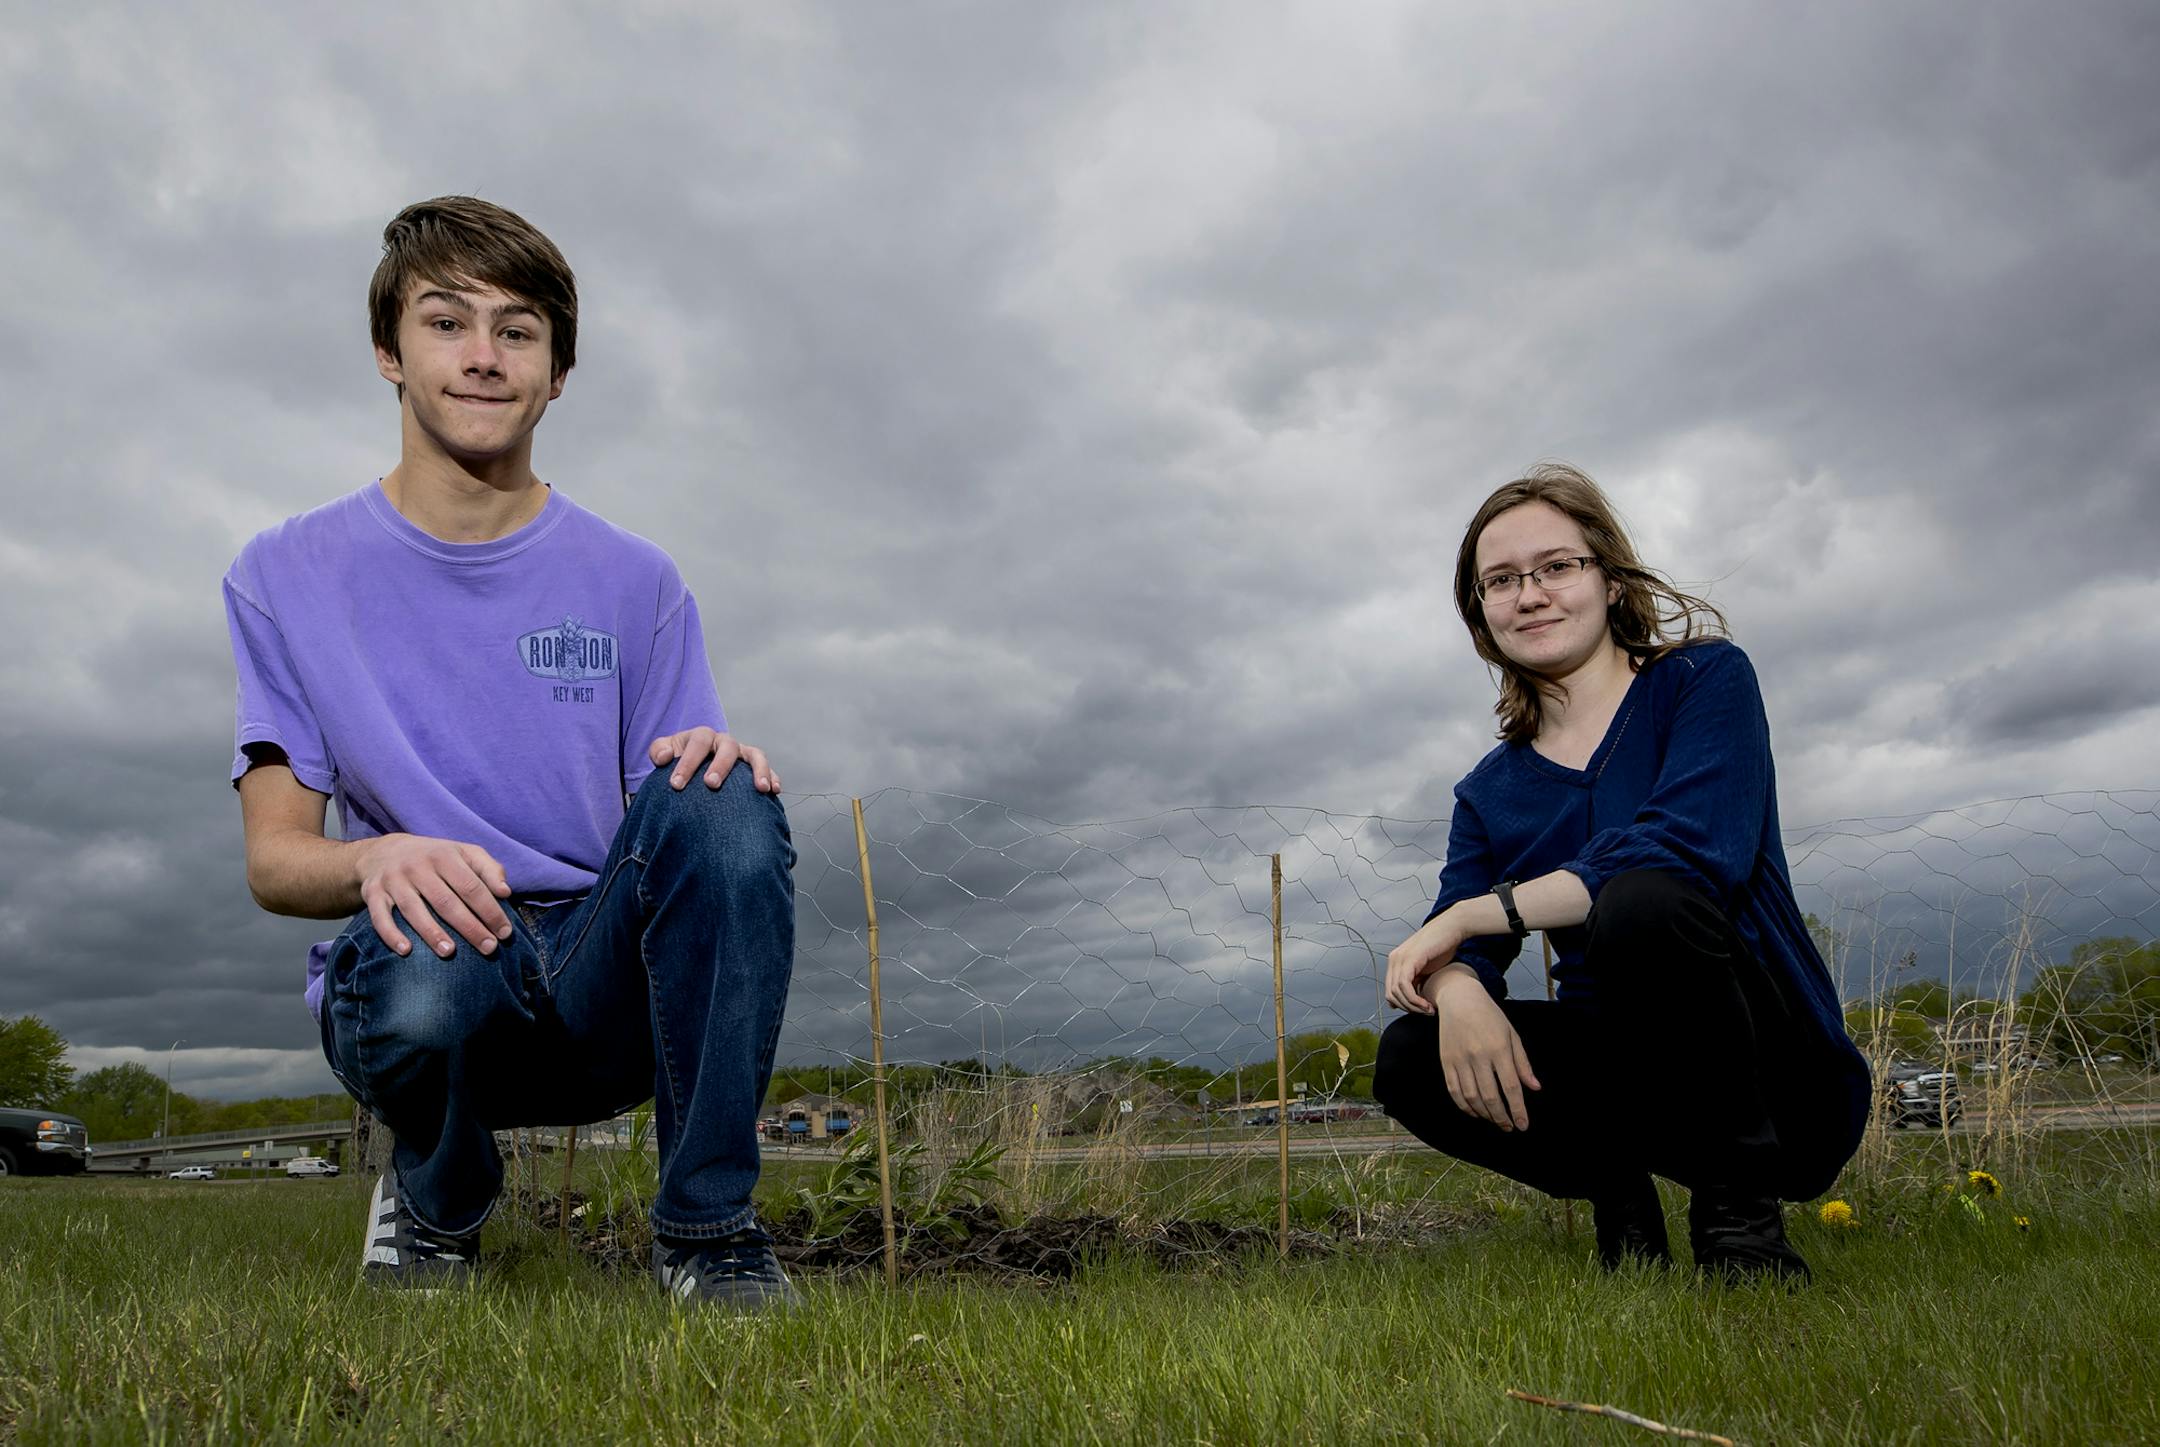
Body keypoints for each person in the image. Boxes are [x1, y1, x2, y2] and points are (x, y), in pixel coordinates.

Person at [222, 196, 799, 1309]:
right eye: (447, 323)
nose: (482, 358)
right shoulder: (284, 573)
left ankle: (708, 1233)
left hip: (599, 988)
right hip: (428, 973)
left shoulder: (639, 582)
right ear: (390, 352)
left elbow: (681, 851)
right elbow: (274, 858)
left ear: (557, 372)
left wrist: (718, 769)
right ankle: (438, 1196)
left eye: (518, 330)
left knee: (725, 795)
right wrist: (372, 860)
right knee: (428, 971)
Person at [1374, 463, 1869, 1281]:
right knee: (1407, 1054)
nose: (1529, 593)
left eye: (1556, 566)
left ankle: (1742, 1231)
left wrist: (1472, 917)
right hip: (1624, 1084)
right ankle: (1622, 1204)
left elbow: (1686, 849)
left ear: (1607, 577)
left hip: (1774, 1077)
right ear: (1482, 613)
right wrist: (1461, 986)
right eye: (1500, 580)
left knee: (1644, 899)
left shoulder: (1705, 683)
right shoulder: (1489, 791)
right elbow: (1451, 938)